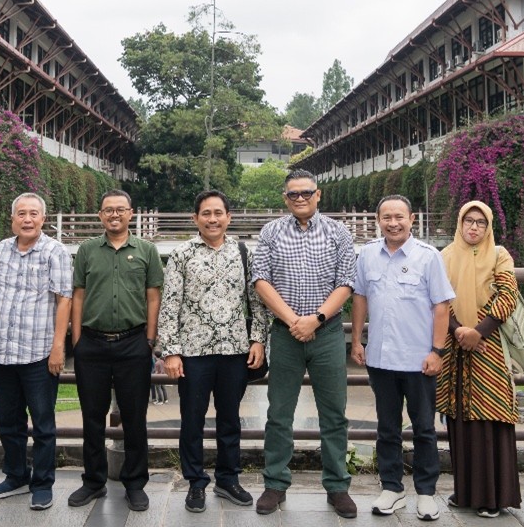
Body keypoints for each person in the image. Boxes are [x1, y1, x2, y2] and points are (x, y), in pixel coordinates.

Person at [252, 169, 358, 519]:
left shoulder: (338, 232)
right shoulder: (271, 232)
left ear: (318, 194)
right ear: (285, 198)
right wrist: (293, 321)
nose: (300, 198)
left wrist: (316, 319)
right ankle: (275, 483)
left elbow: (346, 282)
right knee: (279, 413)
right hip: (285, 334)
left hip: (327, 334)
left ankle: (337, 486)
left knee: (334, 413)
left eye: (306, 192)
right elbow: (260, 279)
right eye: (293, 194)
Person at [156, 189, 267, 513]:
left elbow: (256, 301)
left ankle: (228, 479)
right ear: (196, 218)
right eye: (206, 213)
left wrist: (258, 339)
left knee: (230, 419)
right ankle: (195, 482)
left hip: (234, 350)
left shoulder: (243, 252)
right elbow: (169, 305)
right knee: (192, 420)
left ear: (228, 217)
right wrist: (171, 351)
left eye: (219, 213)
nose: (213, 219)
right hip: (193, 353)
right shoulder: (182, 254)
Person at [350, 195, 453, 521]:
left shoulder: (428, 256)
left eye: (399, 217)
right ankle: (392, 488)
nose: (393, 223)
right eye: (387, 217)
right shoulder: (367, 254)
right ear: (378, 220)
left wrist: (437, 351)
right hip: (381, 359)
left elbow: (442, 306)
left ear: (411, 219)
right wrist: (357, 340)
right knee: (387, 428)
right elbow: (360, 297)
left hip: (419, 360)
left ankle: (426, 493)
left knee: (424, 428)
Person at [69, 189, 164, 511]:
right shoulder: (86, 250)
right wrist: (77, 341)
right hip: (91, 344)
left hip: (134, 343)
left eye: (120, 209)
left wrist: (149, 340)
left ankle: (135, 483)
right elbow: (78, 295)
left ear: (130, 213)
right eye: (108, 209)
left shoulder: (147, 250)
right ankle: (93, 482)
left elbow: (153, 296)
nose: (114, 214)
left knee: (135, 418)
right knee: (92, 417)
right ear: (100, 215)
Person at [0, 193, 72, 510]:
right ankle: (16, 476)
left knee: (43, 424)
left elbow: (64, 299)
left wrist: (58, 347)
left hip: (39, 352)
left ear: (43, 219)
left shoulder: (55, 251)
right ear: (13, 219)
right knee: (7, 421)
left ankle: (43, 483)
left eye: (34, 213)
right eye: (21, 213)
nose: (27, 219)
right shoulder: (1, 249)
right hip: (5, 352)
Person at [436, 200, 523, 519]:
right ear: (460, 223)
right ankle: (466, 492)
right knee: (459, 417)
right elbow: (438, 298)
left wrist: (479, 332)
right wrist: (460, 331)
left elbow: (507, 295)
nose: (474, 227)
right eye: (468, 221)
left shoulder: (499, 255)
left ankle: (493, 496)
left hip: (489, 347)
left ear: (488, 226)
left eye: (480, 222)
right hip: (455, 347)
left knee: (490, 417)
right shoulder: (444, 256)